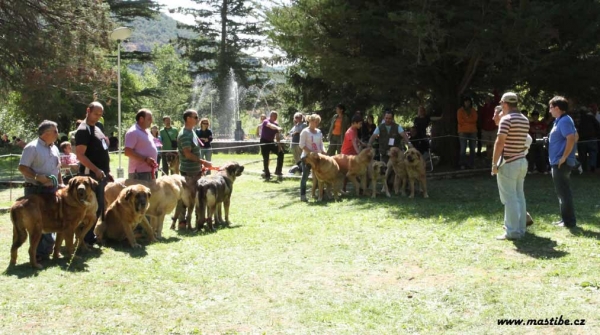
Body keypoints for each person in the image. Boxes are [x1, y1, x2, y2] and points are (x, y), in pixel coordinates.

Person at [18, 120, 63, 262]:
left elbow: (58, 168)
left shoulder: (55, 148)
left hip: (52, 190)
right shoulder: (32, 147)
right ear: (46, 133)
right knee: (37, 222)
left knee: (51, 219)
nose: (57, 134)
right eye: (55, 131)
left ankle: (45, 252)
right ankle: (38, 253)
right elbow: (22, 167)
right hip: (35, 191)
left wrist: (61, 183)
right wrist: (37, 176)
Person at [491, 92, 529, 240]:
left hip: (509, 162)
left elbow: (500, 142)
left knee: (510, 198)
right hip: (521, 161)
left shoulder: (506, 119)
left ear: (505, 104)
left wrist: (494, 164)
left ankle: (512, 232)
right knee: (519, 196)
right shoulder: (524, 119)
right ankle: (521, 229)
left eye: (501, 103)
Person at [75, 101, 113, 246]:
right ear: (88, 110)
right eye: (95, 113)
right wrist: (96, 170)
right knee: (88, 209)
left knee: (98, 208)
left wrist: (106, 172)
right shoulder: (84, 130)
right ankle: (84, 239)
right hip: (89, 177)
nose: (98, 117)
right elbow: (80, 155)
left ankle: (89, 237)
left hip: (101, 176)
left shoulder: (97, 128)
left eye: (100, 114)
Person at [174, 109, 212, 228]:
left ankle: (197, 220)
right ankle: (182, 222)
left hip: (195, 170)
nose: (198, 119)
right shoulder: (185, 134)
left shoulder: (192, 132)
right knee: (187, 197)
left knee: (195, 195)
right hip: (189, 171)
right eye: (195, 117)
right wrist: (203, 161)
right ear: (188, 119)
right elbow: (187, 154)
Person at [548, 96, 578, 228]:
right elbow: (576, 135)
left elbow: (571, 138)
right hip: (558, 161)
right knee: (562, 192)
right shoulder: (560, 120)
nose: (549, 110)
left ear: (557, 108)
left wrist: (564, 157)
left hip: (561, 163)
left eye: (551, 107)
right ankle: (565, 220)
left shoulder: (564, 120)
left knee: (564, 192)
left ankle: (569, 222)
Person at [299, 114, 327, 202]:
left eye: (318, 122)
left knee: (320, 176)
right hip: (307, 158)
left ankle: (321, 194)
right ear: (310, 121)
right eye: (315, 122)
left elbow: (321, 143)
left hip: (318, 158)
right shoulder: (305, 131)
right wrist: (310, 153)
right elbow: (301, 145)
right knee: (305, 176)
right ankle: (303, 195)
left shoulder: (319, 132)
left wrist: (323, 150)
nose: (317, 123)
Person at [124, 109, 158, 181]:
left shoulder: (147, 131)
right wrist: (145, 159)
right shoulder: (133, 132)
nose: (151, 121)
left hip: (149, 172)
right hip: (139, 174)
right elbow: (127, 152)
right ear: (141, 119)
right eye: (149, 119)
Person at [259, 110, 285, 181]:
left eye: (276, 116)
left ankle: (278, 171)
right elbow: (270, 126)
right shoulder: (265, 121)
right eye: (275, 116)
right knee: (266, 158)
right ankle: (267, 175)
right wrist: (277, 128)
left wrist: (279, 146)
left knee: (281, 153)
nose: (276, 118)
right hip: (264, 141)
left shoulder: (276, 124)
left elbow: (277, 136)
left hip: (271, 142)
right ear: (271, 116)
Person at [576, 107, 600, 173]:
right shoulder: (591, 117)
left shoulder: (578, 119)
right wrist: (597, 134)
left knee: (582, 155)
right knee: (593, 153)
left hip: (581, 139)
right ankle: (592, 167)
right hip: (591, 138)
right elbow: (598, 126)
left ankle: (584, 169)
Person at [457, 97, 478, 169]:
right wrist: (469, 121)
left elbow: (475, 119)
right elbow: (460, 121)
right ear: (463, 102)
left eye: (468, 102)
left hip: (472, 131)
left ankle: (472, 164)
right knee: (463, 148)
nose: (467, 103)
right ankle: (462, 164)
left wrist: (466, 120)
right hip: (463, 132)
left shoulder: (473, 110)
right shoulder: (460, 111)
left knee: (472, 148)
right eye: (466, 102)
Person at [479, 95, 499, 159]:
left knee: (493, 144)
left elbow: (497, 100)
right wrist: (481, 127)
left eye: (489, 99)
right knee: (488, 145)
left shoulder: (494, 106)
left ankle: (493, 157)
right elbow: (481, 118)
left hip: (493, 128)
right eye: (486, 99)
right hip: (485, 129)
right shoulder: (483, 108)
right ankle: (488, 157)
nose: (487, 100)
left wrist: (494, 91)